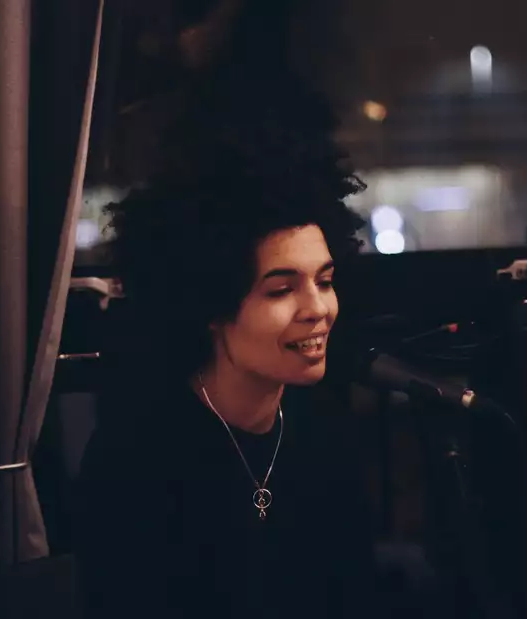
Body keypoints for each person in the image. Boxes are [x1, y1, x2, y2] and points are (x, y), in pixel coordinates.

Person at [74, 68, 381, 618]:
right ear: (212, 305)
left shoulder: (326, 435)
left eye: (326, 280)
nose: (317, 308)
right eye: (282, 289)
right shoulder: (135, 458)